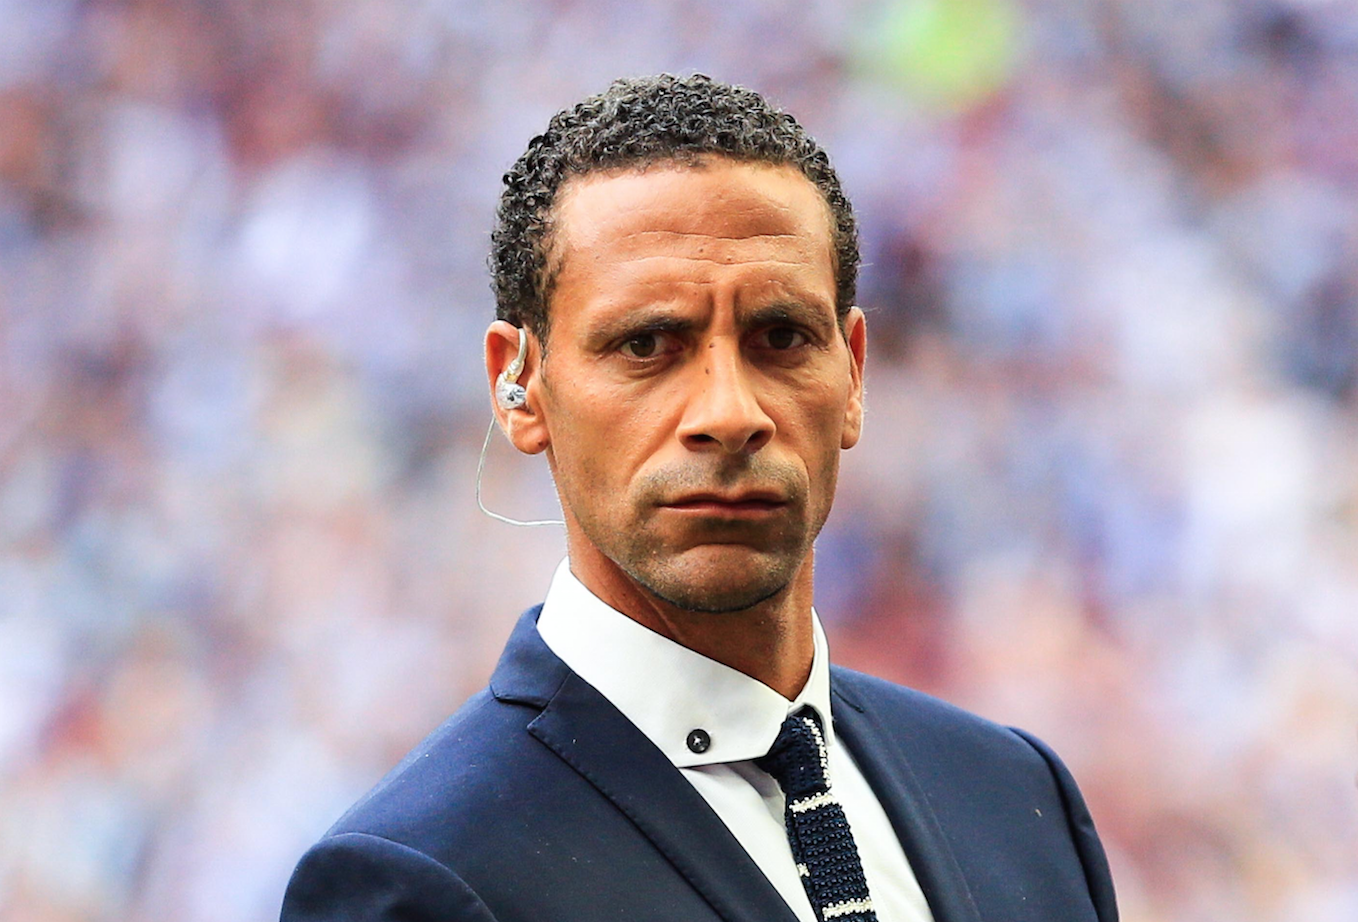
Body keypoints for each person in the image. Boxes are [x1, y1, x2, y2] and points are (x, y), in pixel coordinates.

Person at [280, 74, 1119, 922]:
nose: (729, 413)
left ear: (854, 373)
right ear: (519, 385)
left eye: (781, 337)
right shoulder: (424, 875)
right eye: (647, 344)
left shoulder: (1016, 799)